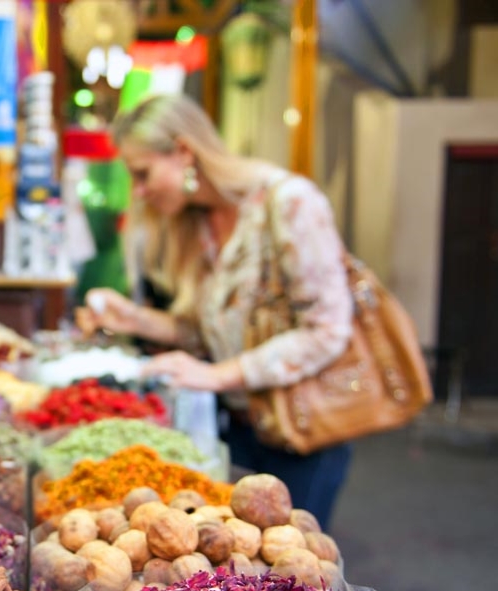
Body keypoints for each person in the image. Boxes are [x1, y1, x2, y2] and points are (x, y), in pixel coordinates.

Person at [76, 93, 354, 529]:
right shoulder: (200, 222)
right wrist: (134, 319)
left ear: (184, 151)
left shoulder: (290, 203)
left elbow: (329, 331)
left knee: (292, 577)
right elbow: (211, 334)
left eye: (143, 173)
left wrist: (217, 375)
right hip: (239, 430)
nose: (140, 191)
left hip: (301, 433)